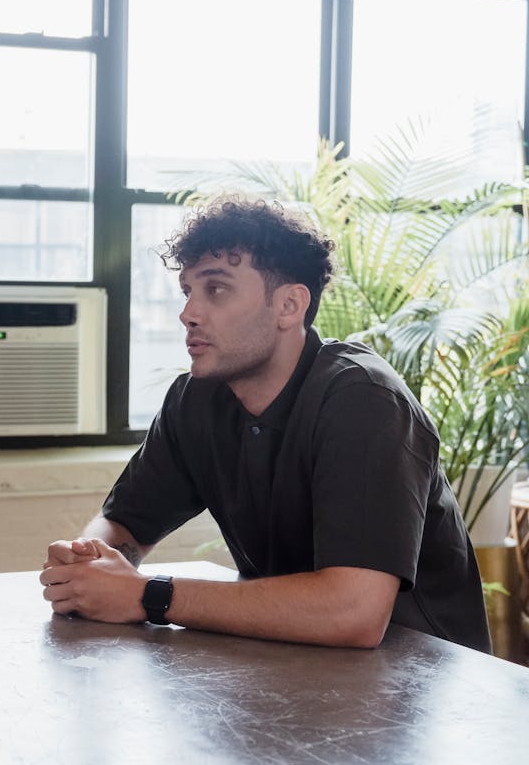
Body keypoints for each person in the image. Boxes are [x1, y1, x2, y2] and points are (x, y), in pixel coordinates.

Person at [40, 197, 490, 653]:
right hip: (294, 671)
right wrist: (87, 561)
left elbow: (353, 612)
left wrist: (145, 594)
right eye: (187, 291)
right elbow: (124, 524)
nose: (189, 313)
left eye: (216, 290)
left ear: (289, 306)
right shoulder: (197, 399)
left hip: (425, 687)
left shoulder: (365, 400)